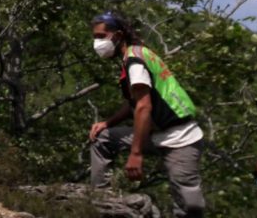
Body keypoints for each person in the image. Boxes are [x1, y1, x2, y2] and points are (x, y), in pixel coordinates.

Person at [88, 11, 205, 218]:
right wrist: (107, 123)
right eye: (95, 37)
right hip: (155, 134)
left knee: (188, 207)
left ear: (118, 35)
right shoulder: (136, 54)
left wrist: (136, 154)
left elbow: (144, 106)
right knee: (102, 138)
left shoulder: (135, 61)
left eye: (101, 36)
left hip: (179, 138)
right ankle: (101, 201)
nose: (97, 42)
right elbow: (133, 103)